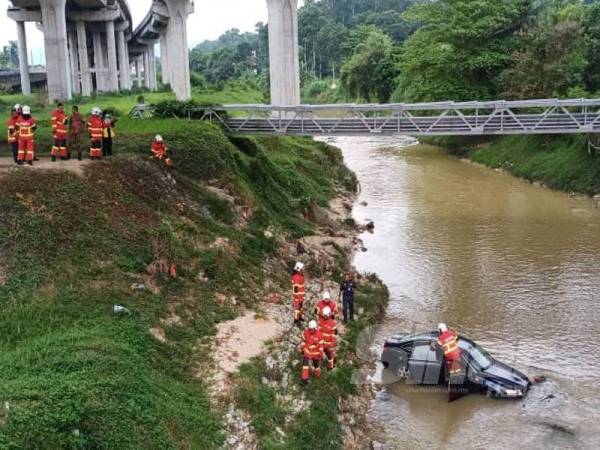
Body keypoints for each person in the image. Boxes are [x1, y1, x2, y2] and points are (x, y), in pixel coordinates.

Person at [300, 319, 323, 384]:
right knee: (305, 365)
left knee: (316, 366)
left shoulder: (319, 335)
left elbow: (321, 346)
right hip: (307, 352)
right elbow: (303, 342)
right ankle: (304, 379)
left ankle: (317, 375)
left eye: (312, 329)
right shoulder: (305, 332)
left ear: (315, 328)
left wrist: (320, 354)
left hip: (315, 354)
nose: (311, 330)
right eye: (310, 329)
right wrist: (302, 349)